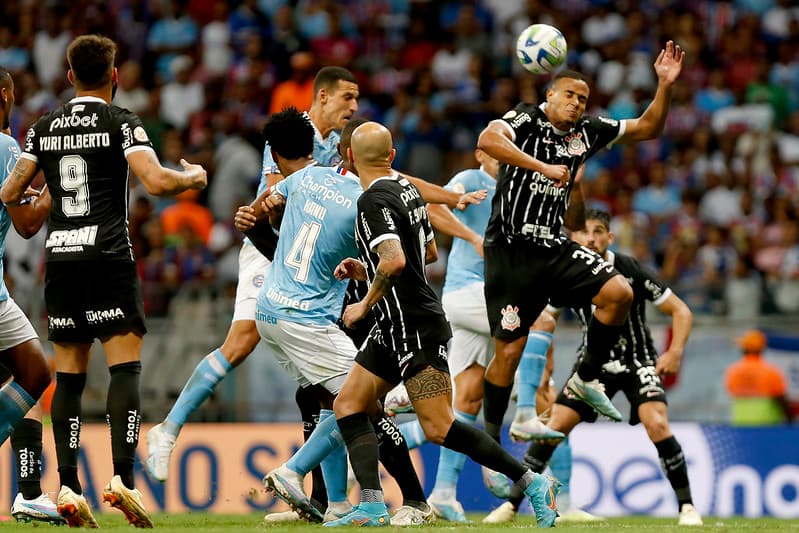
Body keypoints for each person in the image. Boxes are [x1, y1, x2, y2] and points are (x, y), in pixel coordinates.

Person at [146, 65, 483, 522]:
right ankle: (168, 430)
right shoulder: (291, 139)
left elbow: (392, 179)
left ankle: (330, 501)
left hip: (321, 270)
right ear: (322, 97)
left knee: (327, 394)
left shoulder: (346, 150)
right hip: (277, 256)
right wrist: (263, 216)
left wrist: (447, 196)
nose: (354, 107)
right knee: (248, 343)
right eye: (348, 97)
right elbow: (273, 204)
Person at [0, 35, 207, 528]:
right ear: (114, 76)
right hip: (110, 257)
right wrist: (192, 179)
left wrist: (42, 189)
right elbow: (156, 182)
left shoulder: (44, 127)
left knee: (68, 376)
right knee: (124, 371)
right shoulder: (121, 122)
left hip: (63, 260)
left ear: (69, 76)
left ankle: (68, 486)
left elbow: (10, 191)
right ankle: (122, 479)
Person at [325, 121, 560, 528]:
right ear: (393, 156)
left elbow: (397, 261)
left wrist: (363, 302)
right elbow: (428, 253)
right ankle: (373, 504)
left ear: (348, 158)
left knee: (440, 427)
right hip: (393, 327)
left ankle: (532, 481)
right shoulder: (409, 192)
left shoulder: (370, 201)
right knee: (349, 405)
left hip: (414, 327)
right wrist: (366, 270)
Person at [475, 42, 685, 446]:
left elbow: (648, 127)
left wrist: (664, 85)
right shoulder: (525, 117)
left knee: (619, 293)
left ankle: (587, 377)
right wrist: (542, 167)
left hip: (554, 247)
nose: (576, 103)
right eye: (569, 95)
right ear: (549, 95)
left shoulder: (587, 132)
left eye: (583, 98)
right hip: (511, 251)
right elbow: (489, 139)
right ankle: (489, 441)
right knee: (507, 354)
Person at [251, 109, 434, 526]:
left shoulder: (301, 179)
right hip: (309, 318)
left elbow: (268, 206)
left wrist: (258, 216)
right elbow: (407, 256)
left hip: (269, 310)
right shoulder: (364, 200)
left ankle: (338, 502)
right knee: (360, 403)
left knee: (335, 403)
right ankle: (294, 472)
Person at [485, 209, 703, 527]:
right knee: (553, 428)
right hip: (592, 365)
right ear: (573, 237)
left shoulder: (628, 268)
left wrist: (675, 351)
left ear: (610, 237)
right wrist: (545, 365)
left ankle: (687, 508)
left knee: (656, 423)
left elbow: (681, 310)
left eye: (599, 231)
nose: (591, 238)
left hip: (637, 361)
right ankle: (511, 505)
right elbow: (544, 321)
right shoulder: (566, 270)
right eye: (584, 232)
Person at [390, 149, 564, 523]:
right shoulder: (471, 180)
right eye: (499, 152)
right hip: (467, 293)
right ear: (481, 154)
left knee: (464, 400)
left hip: (495, 300)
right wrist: (471, 237)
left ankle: (441, 491)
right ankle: (524, 414)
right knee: (541, 321)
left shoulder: (520, 191)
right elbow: (432, 209)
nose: (507, 160)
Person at [0, 66, 63, 525]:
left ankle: (26, 493)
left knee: (28, 372)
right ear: (5, 96)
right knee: (34, 372)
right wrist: (51, 192)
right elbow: (26, 224)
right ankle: (26, 493)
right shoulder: (7, 149)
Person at [725, 329, 793, 425]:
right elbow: (781, 399)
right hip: (767, 426)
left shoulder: (733, 371)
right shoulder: (771, 372)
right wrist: (790, 419)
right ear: (762, 349)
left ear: (744, 349)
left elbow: (731, 391)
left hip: (740, 424)